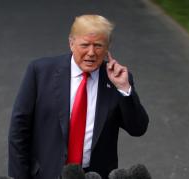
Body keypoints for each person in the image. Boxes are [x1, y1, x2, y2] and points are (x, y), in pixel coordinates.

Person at [8, 14, 149, 179]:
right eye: (85, 45)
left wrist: (124, 88)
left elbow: (137, 128)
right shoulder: (40, 72)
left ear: (107, 47)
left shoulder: (117, 79)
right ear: (71, 43)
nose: (91, 53)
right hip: (47, 173)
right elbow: (19, 130)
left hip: (95, 175)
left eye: (98, 45)